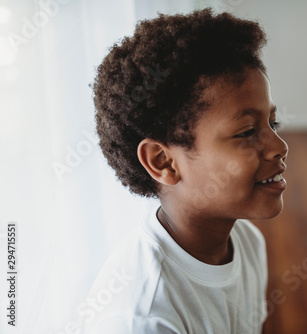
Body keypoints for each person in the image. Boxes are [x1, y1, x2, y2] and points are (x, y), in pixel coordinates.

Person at [80, 8, 288, 334]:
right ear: (163, 162)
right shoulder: (144, 319)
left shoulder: (246, 242)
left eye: (272, 123)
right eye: (247, 132)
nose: (279, 146)